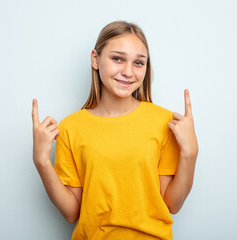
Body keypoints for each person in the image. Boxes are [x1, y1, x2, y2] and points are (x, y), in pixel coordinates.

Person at [32, 20, 199, 240]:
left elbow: (172, 204)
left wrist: (190, 153)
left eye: (138, 63)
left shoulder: (163, 121)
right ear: (95, 59)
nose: (128, 72)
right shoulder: (71, 128)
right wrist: (41, 162)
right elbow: (72, 213)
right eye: (117, 58)